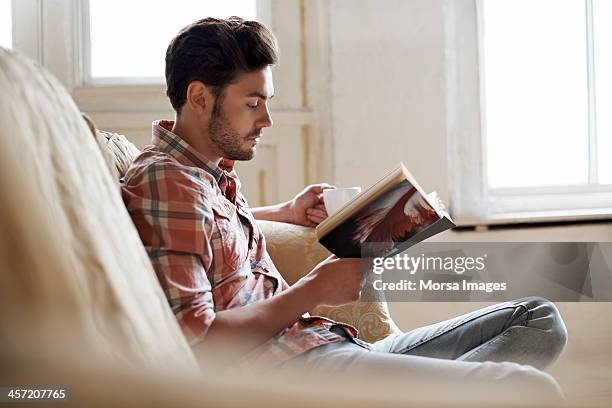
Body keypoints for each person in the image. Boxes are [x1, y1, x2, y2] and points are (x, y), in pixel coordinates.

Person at [121, 16, 567, 399]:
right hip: (295, 372)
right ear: (199, 98)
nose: (266, 120)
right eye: (253, 103)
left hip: (324, 345)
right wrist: (314, 288)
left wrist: (285, 212)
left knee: (538, 319)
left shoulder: (203, 176)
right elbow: (200, 344)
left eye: (267, 103)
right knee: (531, 389)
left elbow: (205, 234)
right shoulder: (168, 182)